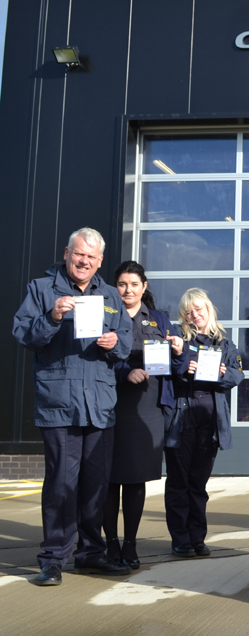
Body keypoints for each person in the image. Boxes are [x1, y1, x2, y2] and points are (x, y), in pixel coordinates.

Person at [12, 227, 133, 586]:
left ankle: (91, 553)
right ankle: (53, 558)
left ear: (99, 261)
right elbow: (23, 334)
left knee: (95, 485)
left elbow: (126, 341)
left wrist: (114, 342)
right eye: (79, 254)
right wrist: (51, 317)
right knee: (61, 484)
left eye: (92, 258)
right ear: (67, 252)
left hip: (99, 403)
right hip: (59, 403)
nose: (85, 262)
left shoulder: (110, 294)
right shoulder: (41, 288)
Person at [103, 261, 185, 568]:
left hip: (149, 407)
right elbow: (92, 357)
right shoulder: (106, 315)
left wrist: (178, 351)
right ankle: (111, 544)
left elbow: (177, 368)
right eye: (122, 284)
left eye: (134, 284)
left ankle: (130, 544)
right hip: (112, 403)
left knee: (136, 479)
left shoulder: (160, 319)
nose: (128, 290)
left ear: (144, 287)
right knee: (110, 479)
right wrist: (125, 372)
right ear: (115, 287)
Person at [164, 288, 242, 559]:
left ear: (209, 311)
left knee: (198, 483)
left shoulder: (224, 343)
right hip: (181, 421)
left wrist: (224, 374)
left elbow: (238, 374)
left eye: (199, 310)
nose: (194, 315)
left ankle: (198, 538)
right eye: (189, 311)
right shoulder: (177, 340)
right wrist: (182, 365)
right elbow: (163, 371)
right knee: (179, 482)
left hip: (211, 423)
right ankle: (180, 539)